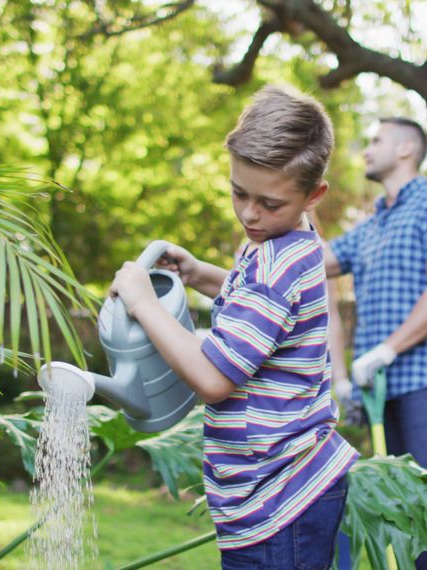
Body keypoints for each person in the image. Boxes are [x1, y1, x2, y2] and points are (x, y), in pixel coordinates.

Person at [109, 85, 359, 570]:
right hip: (284, 489)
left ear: (314, 195)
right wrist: (200, 273)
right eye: (238, 193)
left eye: (270, 203)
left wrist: (144, 302)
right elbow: (266, 313)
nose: (250, 213)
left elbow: (213, 378)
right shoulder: (288, 246)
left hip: (279, 497)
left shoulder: (273, 264)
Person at [325, 117, 427, 569]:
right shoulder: (372, 225)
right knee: (400, 506)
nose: (367, 150)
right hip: (376, 388)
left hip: (420, 378)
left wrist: (387, 349)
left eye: (376, 141)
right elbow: (314, 259)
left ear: (408, 148)